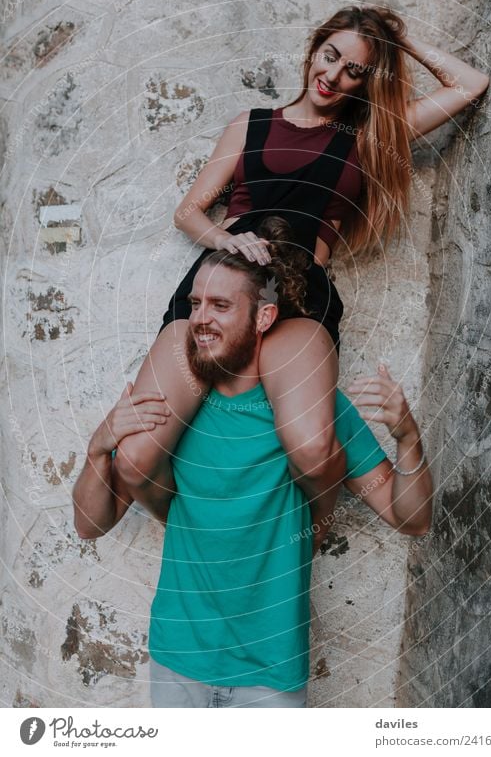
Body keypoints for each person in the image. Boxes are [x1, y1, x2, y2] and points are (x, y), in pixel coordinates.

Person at [112, 4, 488, 526]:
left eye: (353, 70)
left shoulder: (369, 137)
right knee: (136, 459)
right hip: (220, 287)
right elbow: (188, 213)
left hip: (299, 297)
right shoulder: (251, 125)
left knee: (312, 453)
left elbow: (470, 84)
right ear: (313, 49)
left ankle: (310, 528)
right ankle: (194, 530)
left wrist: (399, 46)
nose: (332, 75)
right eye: (329, 56)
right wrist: (229, 238)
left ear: (366, 80)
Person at [73, 223, 433, 708]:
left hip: (270, 674)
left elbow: (411, 517)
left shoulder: (316, 412)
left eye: (221, 306)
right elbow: (89, 523)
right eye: (196, 303)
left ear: (263, 317)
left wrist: (408, 438)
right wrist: (99, 446)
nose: (200, 319)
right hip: (177, 659)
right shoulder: (169, 416)